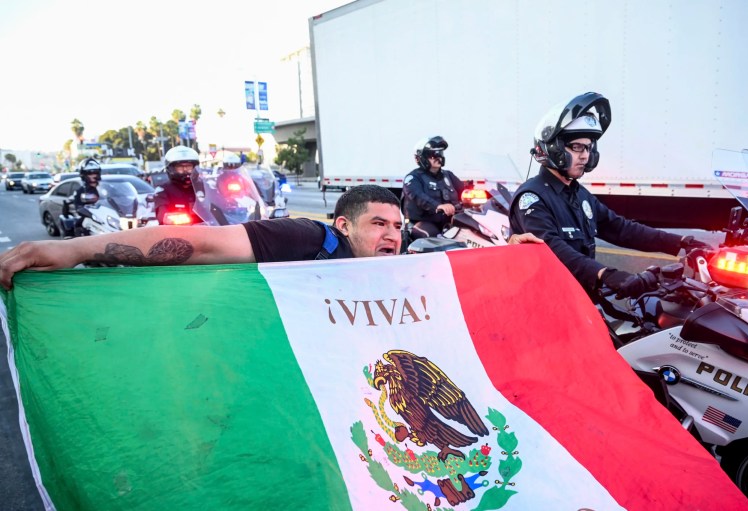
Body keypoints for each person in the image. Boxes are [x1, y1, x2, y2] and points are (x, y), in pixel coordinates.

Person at [0, 184, 542, 290]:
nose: (392, 236)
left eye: (397, 226)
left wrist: (508, 257)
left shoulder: (400, 257)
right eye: (379, 224)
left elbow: (451, 263)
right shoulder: (302, 237)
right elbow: (203, 243)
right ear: (342, 226)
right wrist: (69, 251)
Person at [509, 92, 711, 300]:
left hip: (579, 299)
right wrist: (605, 275)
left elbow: (620, 229)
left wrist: (681, 243)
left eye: (588, 147)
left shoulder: (579, 195)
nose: (585, 155)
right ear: (554, 149)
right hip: (547, 302)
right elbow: (551, 249)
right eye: (577, 147)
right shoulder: (532, 197)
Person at [403, 136, 468, 239]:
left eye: (440, 154)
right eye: (433, 154)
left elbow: (464, 191)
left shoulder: (448, 175)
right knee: (436, 240)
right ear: (421, 157)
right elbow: (418, 196)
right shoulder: (413, 178)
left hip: (449, 222)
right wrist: (438, 206)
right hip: (424, 223)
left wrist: (470, 195)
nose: (438, 157)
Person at [154, 145, 201, 225]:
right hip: (177, 232)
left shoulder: (203, 187)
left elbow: (218, 205)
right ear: (171, 169)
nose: (185, 170)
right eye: (180, 167)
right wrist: (169, 218)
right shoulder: (163, 190)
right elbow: (162, 213)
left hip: (206, 230)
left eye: (189, 166)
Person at [62, 158, 102, 238]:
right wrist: (85, 211)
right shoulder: (81, 191)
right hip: (91, 219)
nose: (94, 176)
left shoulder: (104, 188)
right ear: (84, 175)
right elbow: (78, 207)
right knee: (79, 224)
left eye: (96, 173)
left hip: (105, 217)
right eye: (90, 174)